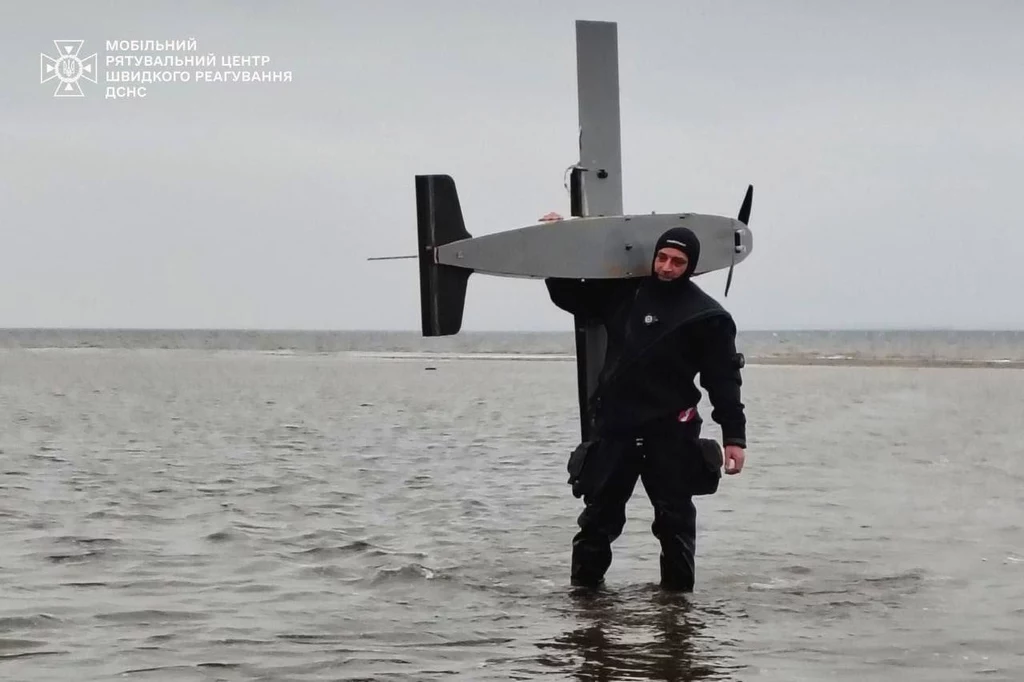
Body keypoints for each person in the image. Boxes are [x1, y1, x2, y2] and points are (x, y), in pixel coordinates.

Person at [543, 216, 747, 591]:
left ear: (692, 266)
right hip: (616, 430)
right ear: (654, 257)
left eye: (678, 262)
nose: (667, 267)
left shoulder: (707, 316)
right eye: (663, 258)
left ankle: (678, 614)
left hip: (671, 434)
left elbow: (723, 379)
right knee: (596, 524)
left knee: (676, 526)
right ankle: (584, 611)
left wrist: (734, 436)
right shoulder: (625, 294)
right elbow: (567, 294)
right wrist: (559, 238)